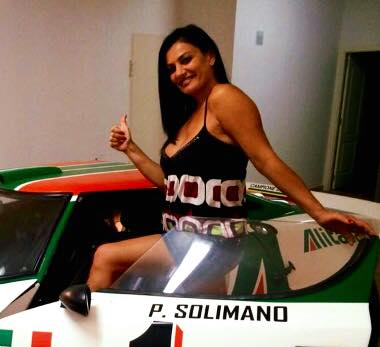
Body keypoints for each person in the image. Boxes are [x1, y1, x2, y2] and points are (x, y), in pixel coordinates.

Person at [87, 24, 375, 292]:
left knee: (105, 256)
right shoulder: (191, 114)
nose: (178, 72)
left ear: (210, 56)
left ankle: (79, 326)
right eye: (171, 68)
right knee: (201, 316)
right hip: (186, 238)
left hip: (211, 240)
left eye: (186, 60)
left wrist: (319, 212)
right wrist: (131, 148)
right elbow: (170, 183)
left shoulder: (224, 98)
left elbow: (266, 160)